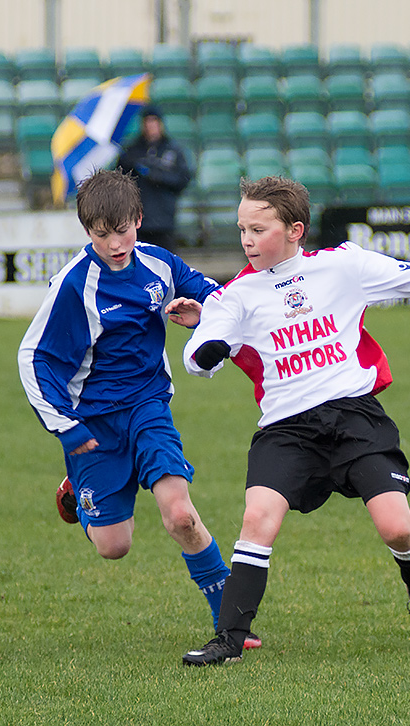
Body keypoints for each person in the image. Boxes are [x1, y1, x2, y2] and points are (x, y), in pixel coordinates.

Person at [173, 176, 410, 666]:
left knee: (396, 529)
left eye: (258, 229)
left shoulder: (342, 266)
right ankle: (229, 639)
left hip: (354, 418)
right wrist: (209, 350)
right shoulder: (236, 294)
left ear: (295, 229)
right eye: (241, 228)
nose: (246, 239)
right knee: (257, 518)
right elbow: (200, 352)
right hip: (287, 430)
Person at [17, 168, 259, 647]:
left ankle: (230, 621)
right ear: (88, 231)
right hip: (93, 425)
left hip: (149, 407)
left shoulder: (160, 264)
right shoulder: (73, 285)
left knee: (180, 515)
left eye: (123, 230)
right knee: (114, 546)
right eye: (102, 235)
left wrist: (204, 314)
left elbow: (214, 294)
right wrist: (65, 428)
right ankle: (76, 489)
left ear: (139, 220)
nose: (115, 243)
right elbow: (34, 357)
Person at [116, 104, 193, 253]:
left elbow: (182, 179)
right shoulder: (131, 151)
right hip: (139, 221)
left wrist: (159, 177)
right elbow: (120, 179)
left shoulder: (173, 150)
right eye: (147, 122)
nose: (151, 126)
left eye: (154, 121)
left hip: (164, 220)